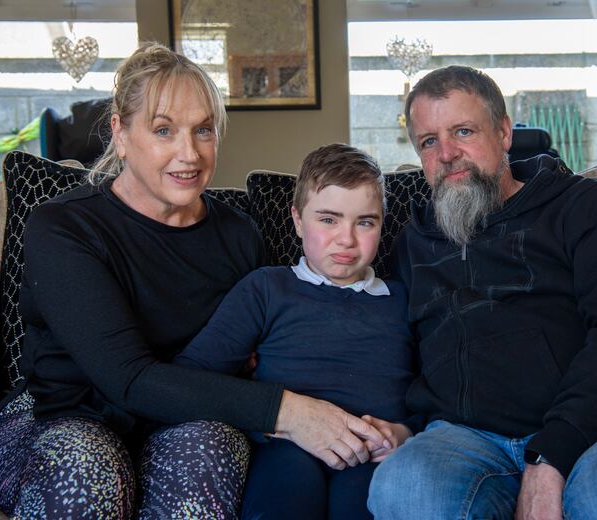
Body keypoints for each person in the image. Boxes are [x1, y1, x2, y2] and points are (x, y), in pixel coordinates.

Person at [0, 43, 389, 520]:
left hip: (189, 419)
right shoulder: (63, 228)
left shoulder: (239, 235)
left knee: (208, 452)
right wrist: (289, 412)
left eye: (203, 131)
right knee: (86, 473)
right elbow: (125, 377)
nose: (188, 154)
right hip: (64, 416)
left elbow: (256, 355)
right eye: (164, 130)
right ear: (120, 132)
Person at [367, 65, 597, 519]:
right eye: (428, 141)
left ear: (504, 132)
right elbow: (375, 328)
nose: (446, 154)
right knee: (402, 488)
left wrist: (552, 455)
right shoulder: (413, 239)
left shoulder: (587, 207)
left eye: (463, 131)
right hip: (463, 441)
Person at [174, 143, 419, 520]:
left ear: (382, 224)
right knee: (284, 502)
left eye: (365, 222)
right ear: (298, 220)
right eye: (328, 219)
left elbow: (436, 390)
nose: (346, 239)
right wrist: (266, 417)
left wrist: (403, 434)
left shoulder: (403, 299)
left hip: (373, 453)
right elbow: (190, 378)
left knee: (363, 506)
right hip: (285, 447)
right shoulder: (266, 289)